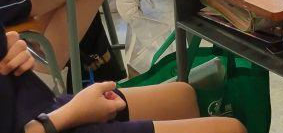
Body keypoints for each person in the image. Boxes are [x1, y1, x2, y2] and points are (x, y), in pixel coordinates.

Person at [2, 27, 245, 133]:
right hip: (47, 125)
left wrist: (10, 50)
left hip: (35, 112)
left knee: (182, 95)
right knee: (230, 129)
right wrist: (71, 115)